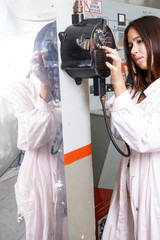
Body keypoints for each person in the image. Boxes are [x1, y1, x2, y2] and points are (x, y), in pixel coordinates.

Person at [101, 16, 160, 239]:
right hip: (130, 183)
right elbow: (118, 131)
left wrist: (117, 85)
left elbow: (146, 138)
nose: (134, 50)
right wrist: (121, 90)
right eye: (131, 45)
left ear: (159, 39)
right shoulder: (137, 89)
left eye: (140, 41)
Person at [8, 21, 68, 239]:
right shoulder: (21, 89)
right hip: (37, 177)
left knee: (67, 230)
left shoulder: (71, 88)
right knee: (41, 233)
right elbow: (30, 139)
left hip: (66, 171)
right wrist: (45, 86)